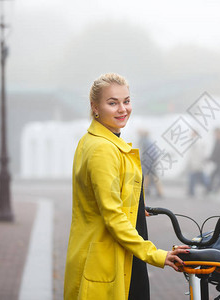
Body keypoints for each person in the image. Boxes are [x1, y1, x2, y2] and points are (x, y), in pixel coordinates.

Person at [63, 73, 189, 300]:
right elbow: (112, 215)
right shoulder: (103, 148)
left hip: (115, 255)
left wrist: (136, 207)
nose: (123, 109)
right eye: (113, 103)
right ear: (95, 107)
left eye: (126, 101)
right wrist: (157, 255)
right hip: (109, 261)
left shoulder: (96, 140)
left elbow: (101, 199)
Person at [138, 129, 164, 199]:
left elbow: (143, 152)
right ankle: (157, 192)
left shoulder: (144, 141)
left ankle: (147, 191)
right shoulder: (149, 141)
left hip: (148, 161)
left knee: (147, 176)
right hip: (151, 160)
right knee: (152, 176)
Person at [185, 130, 209, 197]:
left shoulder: (197, 142)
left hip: (196, 163)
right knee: (199, 177)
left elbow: (198, 154)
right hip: (195, 163)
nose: (191, 134)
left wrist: (196, 163)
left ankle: (192, 191)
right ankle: (207, 188)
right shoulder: (195, 142)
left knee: (194, 177)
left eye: (192, 133)